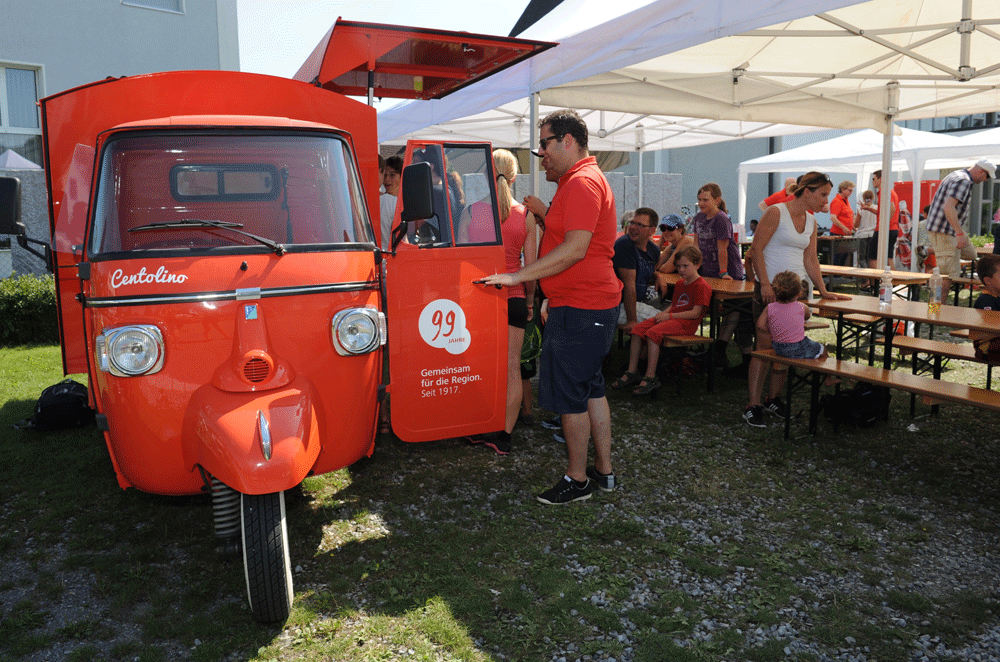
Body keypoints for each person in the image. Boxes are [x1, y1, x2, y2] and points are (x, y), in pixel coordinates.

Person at [483, 109, 621, 505]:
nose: (540, 153)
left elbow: (576, 249)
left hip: (582, 307)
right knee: (592, 389)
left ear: (567, 141)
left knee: (572, 398)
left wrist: (517, 277)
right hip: (583, 304)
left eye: (544, 144)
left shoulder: (580, 183)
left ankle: (577, 480)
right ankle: (604, 473)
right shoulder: (579, 181)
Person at [743, 171, 850, 428]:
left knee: (786, 343)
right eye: (823, 194)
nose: (825, 201)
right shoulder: (776, 212)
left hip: (795, 293)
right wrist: (765, 284)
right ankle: (753, 404)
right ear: (807, 190)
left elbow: (810, 259)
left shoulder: (811, 221)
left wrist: (823, 290)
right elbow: (756, 249)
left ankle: (773, 398)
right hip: (771, 290)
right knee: (765, 347)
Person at [457, 149, 537, 455]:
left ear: (487, 176)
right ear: (514, 177)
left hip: (478, 300)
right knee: (512, 369)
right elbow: (531, 268)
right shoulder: (526, 216)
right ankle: (503, 435)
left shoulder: (470, 212)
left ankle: (479, 426)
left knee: (479, 366)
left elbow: (462, 264)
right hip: (514, 297)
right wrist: (530, 301)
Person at [612, 245, 711, 395]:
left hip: (686, 324)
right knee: (638, 329)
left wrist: (669, 316)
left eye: (685, 266)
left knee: (653, 334)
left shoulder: (701, 285)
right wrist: (663, 314)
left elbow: (695, 313)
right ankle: (632, 371)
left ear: (697, 265)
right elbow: (675, 305)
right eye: (678, 266)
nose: (681, 270)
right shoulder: (680, 283)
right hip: (673, 319)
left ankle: (650, 376)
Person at [691, 183, 750, 372]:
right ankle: (716, 350)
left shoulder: (721, 218)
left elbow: (722, 247)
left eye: (705, 200)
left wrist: (724, 273)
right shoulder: (699, 217)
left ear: (716, 200)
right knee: (716, 307)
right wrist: (695, 266)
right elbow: (696, 242)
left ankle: (719, 349)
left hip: (728, 271)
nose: (701, 203)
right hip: (707, 270)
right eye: (699, 199)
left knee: (733, 306)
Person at [924, 160, 996, 293]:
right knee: (949, 276)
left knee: (972, 254)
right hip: (944, 231)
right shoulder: (964, 181)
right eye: (987, 176)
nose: (986, 180)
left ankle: (931, 250)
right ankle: (937, 310)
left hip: (944, 230)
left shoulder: (956, 175)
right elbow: (949, 207)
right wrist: (959, 233)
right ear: (981, 171)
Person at [760, 271, 838, 386]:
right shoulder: (801, 307)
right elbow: (807, 316)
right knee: (822, 350)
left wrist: (772, 329)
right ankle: (828, 378)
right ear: (799, 293)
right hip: (797, 347)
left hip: (778, 347)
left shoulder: (769, 307)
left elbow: (760, 325)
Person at [615, 207, 662, 329]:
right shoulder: (624, 245)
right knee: (663, 321)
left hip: (639, 302)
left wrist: (657, 276)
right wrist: (632, 321)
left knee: (670, 314)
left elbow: (646, 272)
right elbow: (629, 285)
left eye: (640, 225)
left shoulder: (654, 250)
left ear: (652, 230)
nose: (633, 227)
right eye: (632, 223)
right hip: (618, 305)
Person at [858, 170, 899, 272]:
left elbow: (892, 208)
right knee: (889, 258)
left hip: (885, 229)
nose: (873, 181)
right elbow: (882, 212)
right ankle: (892, 283)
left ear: (880, 179)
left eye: (874, 179)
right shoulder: (887, 192)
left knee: (872, 257)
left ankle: (875, 284)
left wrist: (884, 225)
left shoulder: (886, 192)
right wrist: (868, 209)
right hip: (892, 228)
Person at [971, 254, 1000, 364]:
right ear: (988, 281)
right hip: (985, 349)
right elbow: (991, 329)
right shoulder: (986, 301)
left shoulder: (996, 297)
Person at [829, 180, 855, 264]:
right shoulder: (837, 201)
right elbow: (833, 218)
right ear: (843, 189)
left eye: (852, 191)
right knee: (838, 257)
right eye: (849, 190)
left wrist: (853, 227)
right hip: (838, 233)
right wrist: (844, 228)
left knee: (844, 257)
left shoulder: (845, 200)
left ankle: (839, 276)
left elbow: (847, 216)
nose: (851, 193)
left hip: (846, 233)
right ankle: (835, 276)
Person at [380, 155, 402, 251]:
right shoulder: (386, 201)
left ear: (402, 176)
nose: (387, 179)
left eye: (392, 175)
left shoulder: (403, 202)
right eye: (385, 175)